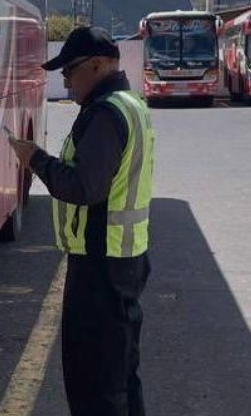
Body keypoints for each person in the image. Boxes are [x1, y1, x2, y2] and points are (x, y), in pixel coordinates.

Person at [8, 26, 155, 416]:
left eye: (70, 71)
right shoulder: (130, 104)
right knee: (121, 375)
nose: (66, 81)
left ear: (97, 65)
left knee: (94, 382)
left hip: (101, 265)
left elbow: (84, 187)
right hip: (124, 256)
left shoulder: (106, 115)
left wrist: (35, 158)